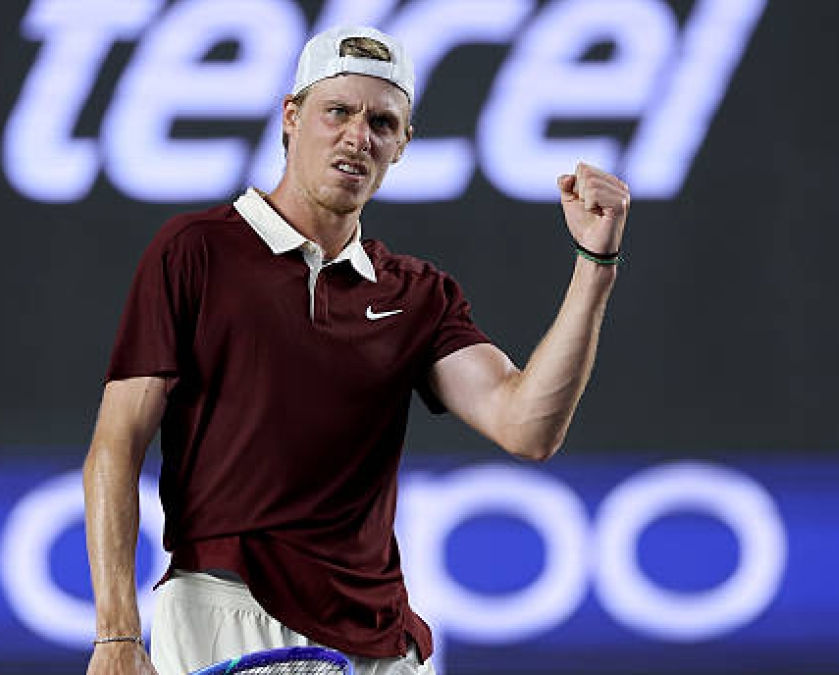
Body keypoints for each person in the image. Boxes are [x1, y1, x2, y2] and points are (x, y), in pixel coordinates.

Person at [83, 25, 629, 675]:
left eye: (382, 121)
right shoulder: (197, 251)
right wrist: (116, 634)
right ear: (291, 118)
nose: (357, 135)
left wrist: (595, 263)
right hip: (229, 609)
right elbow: (117, 442)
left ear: (401, 146)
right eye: (337, 111)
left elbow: (527, 426)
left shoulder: (418, 292)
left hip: (380, 638)